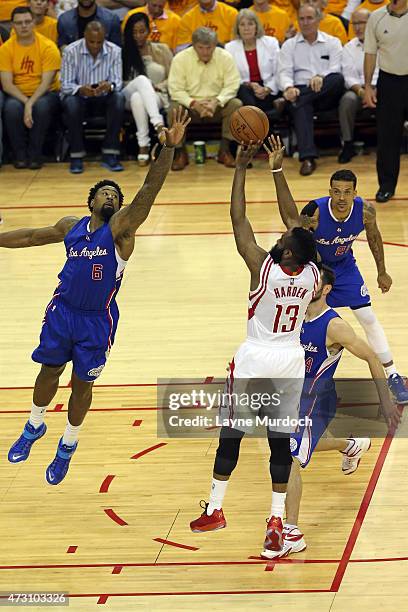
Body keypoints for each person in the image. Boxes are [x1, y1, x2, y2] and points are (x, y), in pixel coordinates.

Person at [3, 108, 190, 486]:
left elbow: (147, 194)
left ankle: (67, 445)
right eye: (105, 192)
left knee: (82, 385)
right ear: (92, 202)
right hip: (62, 311)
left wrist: (167, 150)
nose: (111, 196)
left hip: (96, 320)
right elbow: (30, 237)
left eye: (115, 195)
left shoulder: (121, 231)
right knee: (48, 370)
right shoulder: (70, 227)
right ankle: (34, 425)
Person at [190, 142, 320, 558]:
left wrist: (242, 169)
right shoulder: (312, 274)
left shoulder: (260, 266)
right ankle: (277, 520)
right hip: (290, 360)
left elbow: (238, 219)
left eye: (281, 238)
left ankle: (215, 509)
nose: (279, 233)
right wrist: (278, 171)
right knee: (280, 444)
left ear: (284, 252)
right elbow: (296, 224)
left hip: (256, 356)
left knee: (232, 434)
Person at [271, 147, 408, 405]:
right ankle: (292, 379)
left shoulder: (366, 210)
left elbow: (375, 237)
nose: (342, 197)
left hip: (344, 268)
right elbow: (291, 222)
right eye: (336, 191)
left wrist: (382, 271)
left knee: (367, 317)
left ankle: (392, 375)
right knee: (304, 326)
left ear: (355, 193)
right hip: (317, 271)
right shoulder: (316, 212)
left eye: (347, 192)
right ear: (330, 190)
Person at [277, 4, 344, 176]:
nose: (305, 22)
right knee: (301, 105)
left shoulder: (332, 42)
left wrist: (321, 76)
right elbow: (284, 71)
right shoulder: (289, 45)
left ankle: (290, 100)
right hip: (300, 90)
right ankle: (308, 158)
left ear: (318, 19)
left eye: (310, 18)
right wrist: (288, 87)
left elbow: (337, 67)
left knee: (337, 79)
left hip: (326, 92)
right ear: (298, 20)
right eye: (302, 19)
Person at [168, 27, 241, 170]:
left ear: (215, 45)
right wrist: (194, 103)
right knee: (174, 109)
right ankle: (179, 153)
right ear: (194, 45)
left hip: (217, 106)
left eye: (209, 48)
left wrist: (217, 101)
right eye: (201, 48)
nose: (205, 52)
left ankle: (225, 150)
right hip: (191, 106)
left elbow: (232, 85)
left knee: (236, 105)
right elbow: (175, 89)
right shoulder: (180, 59)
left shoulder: (225, 57)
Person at [60, 21, 124, 174]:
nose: (95, 45)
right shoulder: (70, 51)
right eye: (91, 41)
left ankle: (110, 152)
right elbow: (65, 85)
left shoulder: (115, 51)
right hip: (80, 97)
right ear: (84, 37)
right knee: (71, 103)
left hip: (103, 98)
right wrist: (80, 89)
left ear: (105, 38)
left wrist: (109, 86)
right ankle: (76, 154)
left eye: (99, 42)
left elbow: (118, 83)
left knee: (119, 98)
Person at [0, 6, 60, 169]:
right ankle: (19, 155)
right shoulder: (5, 49)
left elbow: (46, 83)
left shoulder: (48, 47)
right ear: (12, 25)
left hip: (45, 93)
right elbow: (7, 84)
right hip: (18, 93)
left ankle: (35, 155)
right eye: (19, 23)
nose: (24, 26)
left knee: (41, 107)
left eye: (27, 21)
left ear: (33, 22)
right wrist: (26, 102)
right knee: (11, 108)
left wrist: (30, 103)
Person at [363, 0, 408, 203]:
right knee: (387, 138)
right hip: (389, 82)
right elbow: (370, 53)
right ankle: (386, 186)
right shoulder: (376, 17)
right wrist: (367, 86)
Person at [122, 12, 173, 166]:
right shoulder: (122, 53)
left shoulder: (162, 50)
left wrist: (158, 86)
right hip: (127, 94)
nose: (138, 36)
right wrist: (143, 84)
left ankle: (143, 146)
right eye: (134, 32)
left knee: (139, 98)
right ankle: (159, 125)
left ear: (149, 31)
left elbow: (174, 77)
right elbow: (119, 81)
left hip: (157, 95)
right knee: (141, 81)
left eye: (142, 31)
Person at [225, 10, 284, 122]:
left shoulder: (271, 43)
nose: (246, 28)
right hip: (244, 88)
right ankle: (265, 129)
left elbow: (279, 71)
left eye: (250, 24)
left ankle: (258, 126)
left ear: (256, 27)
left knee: (254, 107)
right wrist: (250, 85)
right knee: (244, 92)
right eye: (242, 25)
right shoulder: (230, 48)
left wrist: (267, 89)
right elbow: (230, 77)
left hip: (268, 87)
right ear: (238, 28)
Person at [338, 8, 377, 163]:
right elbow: (348, 77)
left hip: (380, 88)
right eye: (354, 23)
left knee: (392, 95)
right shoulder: (348, 47)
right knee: (347, 100)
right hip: (357, 90)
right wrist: (362, 92)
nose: (357, 27)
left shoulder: (382, 44)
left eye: (362, 23)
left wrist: (375, 90)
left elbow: (386, 70)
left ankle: (386, 143)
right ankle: (348, 144)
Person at [57, 0, 122, 48]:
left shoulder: (111, 19)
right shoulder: (64, 20)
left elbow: (116, 51)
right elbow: (63, 48)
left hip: (105, 64)